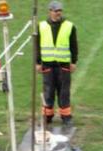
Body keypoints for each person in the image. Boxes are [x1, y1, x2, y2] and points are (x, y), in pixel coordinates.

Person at [35, 1, 78, 129]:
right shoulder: (41, 26)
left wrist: (73, 62)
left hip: (63, 65)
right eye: (56, 11)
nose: (58, 13)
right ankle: (47, 116)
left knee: (64, 91)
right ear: (50, 11)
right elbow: (37, 46)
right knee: (48, 91)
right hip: (47, 65)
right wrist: (38, 62)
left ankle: (66, 116)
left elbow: (74, 45)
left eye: (60, 10)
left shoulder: (69, 26)